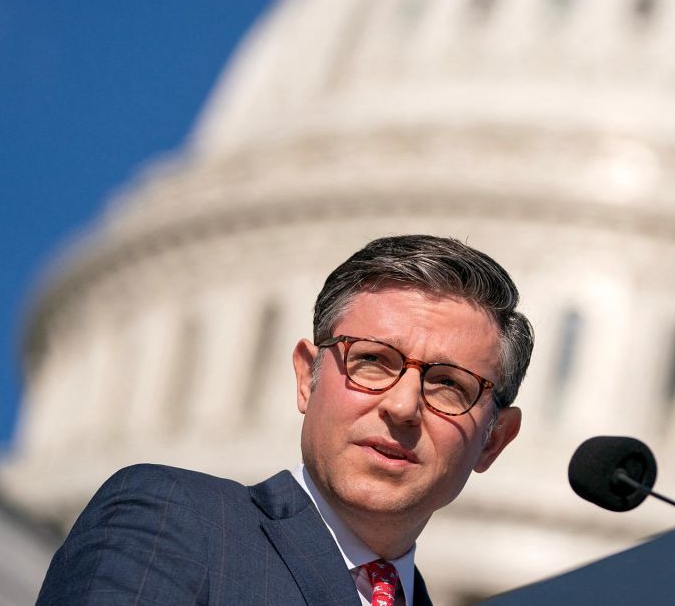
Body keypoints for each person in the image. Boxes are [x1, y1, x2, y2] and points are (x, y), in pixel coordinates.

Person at [37, 234, 534, 606]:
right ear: (306, 377)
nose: (403, 406)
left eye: (449, 384)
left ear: (493, 441)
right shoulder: (178, 522)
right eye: (371, 361)